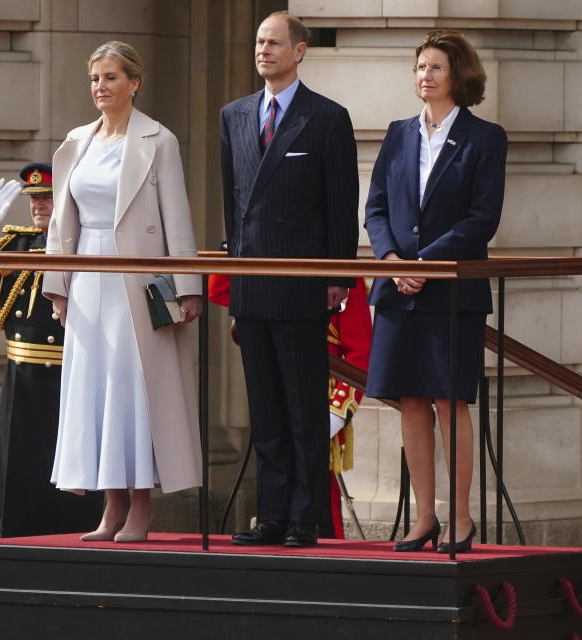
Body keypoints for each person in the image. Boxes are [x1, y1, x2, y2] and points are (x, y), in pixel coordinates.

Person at [43, 40, 203, 543]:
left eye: (111, 78)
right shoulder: (76, 141)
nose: (101, 87)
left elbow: (177, 218)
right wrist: (58, 287)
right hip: (86, 277)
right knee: (95, 391)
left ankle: (140, 506)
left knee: (133, 391)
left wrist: (188, 287)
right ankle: (109, 506)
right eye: (95, 79)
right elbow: (59, 224)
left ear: (134, 82)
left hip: (136, 280)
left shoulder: (159, 140)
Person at [220, 11, 359, 548]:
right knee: (266, 407)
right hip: (253, 280)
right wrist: (234, 277)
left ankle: (306, 516)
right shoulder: (233, 115)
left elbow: (340, 203)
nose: (263, 50)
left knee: (304, 407)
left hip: (303, 282)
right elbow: (234, 208)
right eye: (258, 42)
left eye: (274, 43)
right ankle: (272, 514)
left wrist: (337, 277)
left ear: (299, 51)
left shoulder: (327, 117)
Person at [364, 30, 506, 554]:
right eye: (420, 67)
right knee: (410, 401)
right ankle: (424, 518)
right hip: (398, 287)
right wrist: (392, 260)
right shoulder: (398, 133)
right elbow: (376, 207)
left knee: (450, 400)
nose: (425, 75)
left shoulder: (485, 138)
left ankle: (461, 518)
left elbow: (482, 218)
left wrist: (426, 263)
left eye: (436, 68)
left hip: (452, 289)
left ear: (459, 76)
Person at [0, 163, 104, 537]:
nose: (39, 206)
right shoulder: (18, 244)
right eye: (34, 200)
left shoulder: (89, 246)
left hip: (70, 375)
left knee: (70, 479)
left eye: (47, 198)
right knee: (19, 470)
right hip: (22, 376)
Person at [207, 272, 372, 539]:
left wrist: (335, 414)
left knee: (319, 495)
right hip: (274, 392)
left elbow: (360, 357)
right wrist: (239, 247)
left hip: (321, 397)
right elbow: (219, 289)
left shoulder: (344, 282)